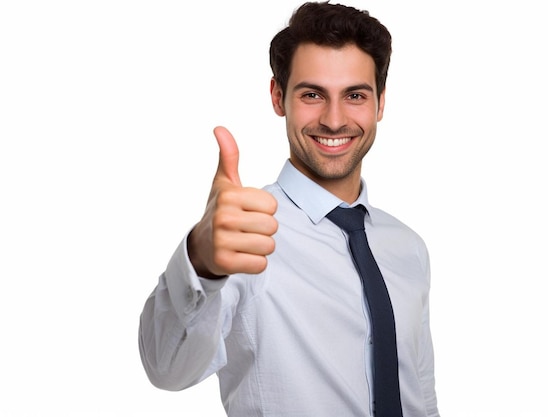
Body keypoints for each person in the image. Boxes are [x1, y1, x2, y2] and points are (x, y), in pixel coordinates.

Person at [139, 2, 439, 416]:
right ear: (279, 97)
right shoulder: (244, 236)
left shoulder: (408, 247)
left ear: (380, 104)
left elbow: (419, 392)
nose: (334, 121)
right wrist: (200, 264)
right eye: (312, 94)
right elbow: (166, 369)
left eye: (355, 95)